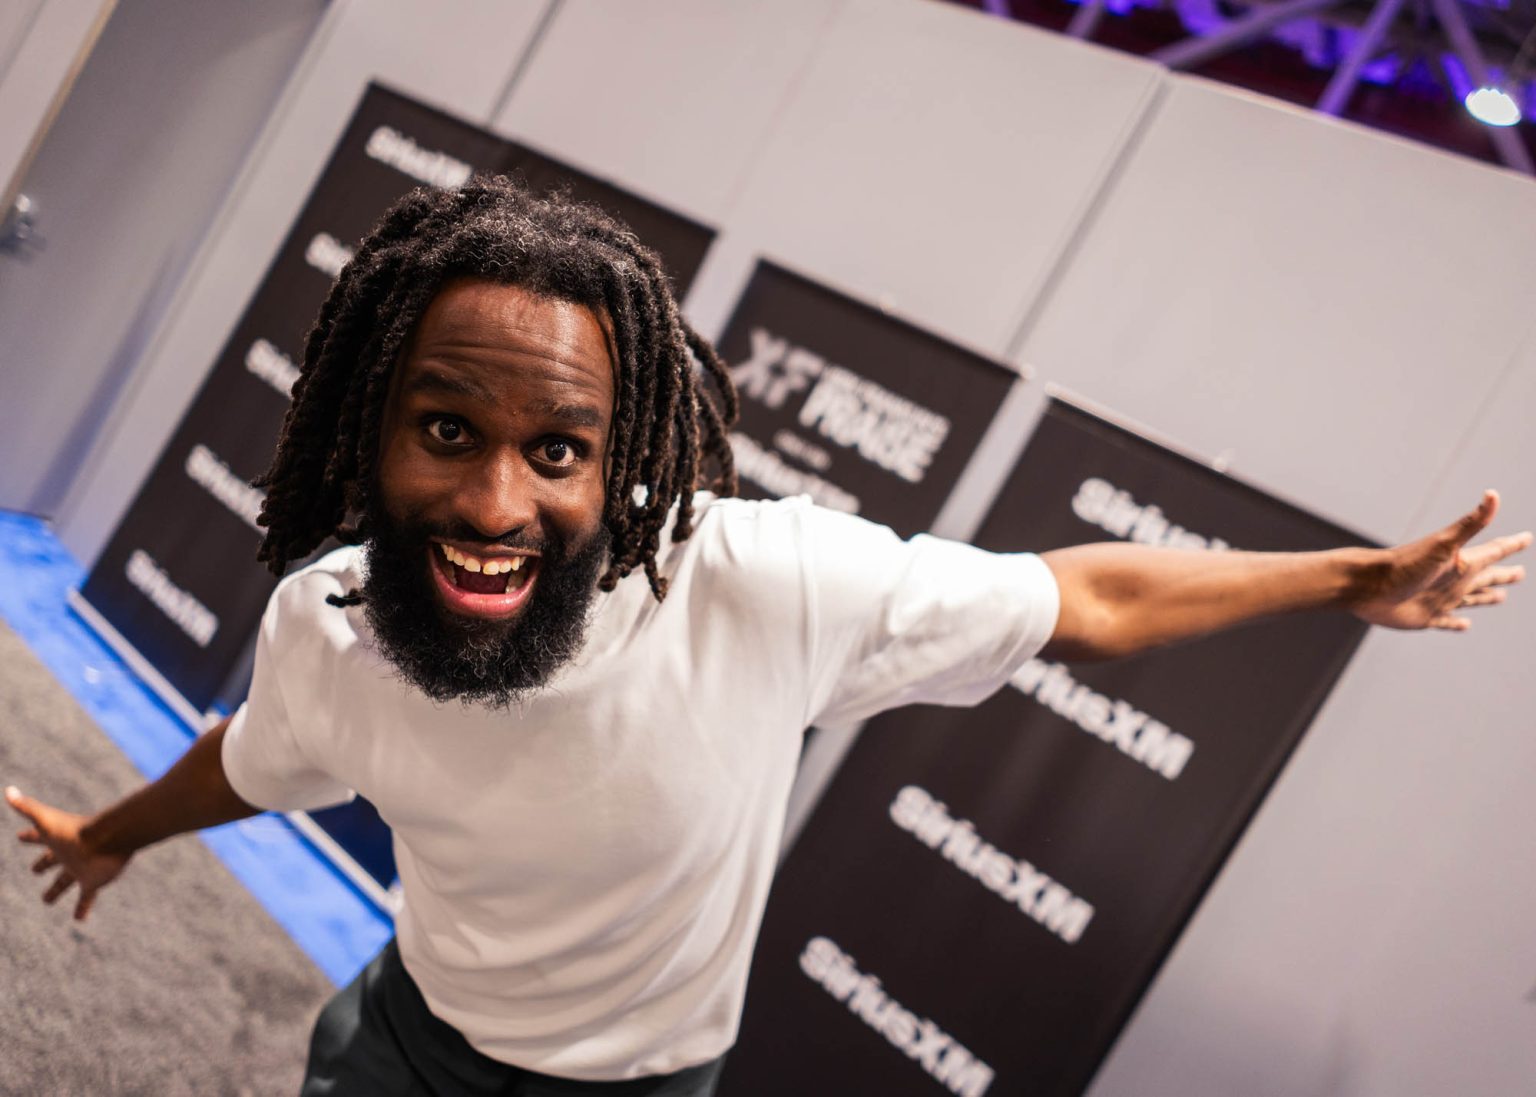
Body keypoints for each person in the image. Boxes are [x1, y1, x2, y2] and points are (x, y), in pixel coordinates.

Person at [6, 177, 1529, 1097]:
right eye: (446, 429)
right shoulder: (328, 625)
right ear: (368, 431)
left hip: (644, 1084)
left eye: (558, 451)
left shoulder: (760, 580)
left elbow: (1095, 596)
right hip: (409, 1048)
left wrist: (1347, 581)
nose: (494, 498)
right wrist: (113, 828)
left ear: (626, 460)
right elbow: (255, 762)